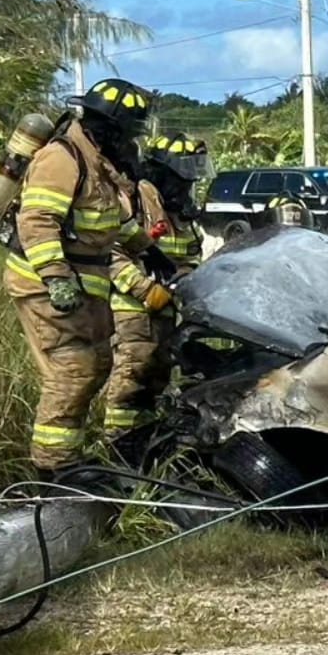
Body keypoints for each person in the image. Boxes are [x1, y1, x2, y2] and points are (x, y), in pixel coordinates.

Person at [4, 79, 173, 473]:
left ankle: (68, 459)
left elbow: (109, 221)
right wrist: (55, 277)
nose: (131, 141)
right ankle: (53, 468)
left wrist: (149, 249)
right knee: (74, 368)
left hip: (80, 287)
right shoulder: (63, 158)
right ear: (108, 127)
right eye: (128, 131)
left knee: (96, 363)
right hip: (44, 284)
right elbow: (37, 221)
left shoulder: (97, 162)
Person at [104, 133, 209, 443]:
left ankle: (146, 441)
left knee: (158, 376)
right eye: (183, 177)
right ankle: (119, 443)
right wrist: (144, 289)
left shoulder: (182, 213)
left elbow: (190, 257)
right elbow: (110, 251)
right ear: (166, 172)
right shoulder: (138, 200)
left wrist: (186, 279)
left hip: (167, 308)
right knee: (132, 376)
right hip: (133, 308)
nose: (188, 186)